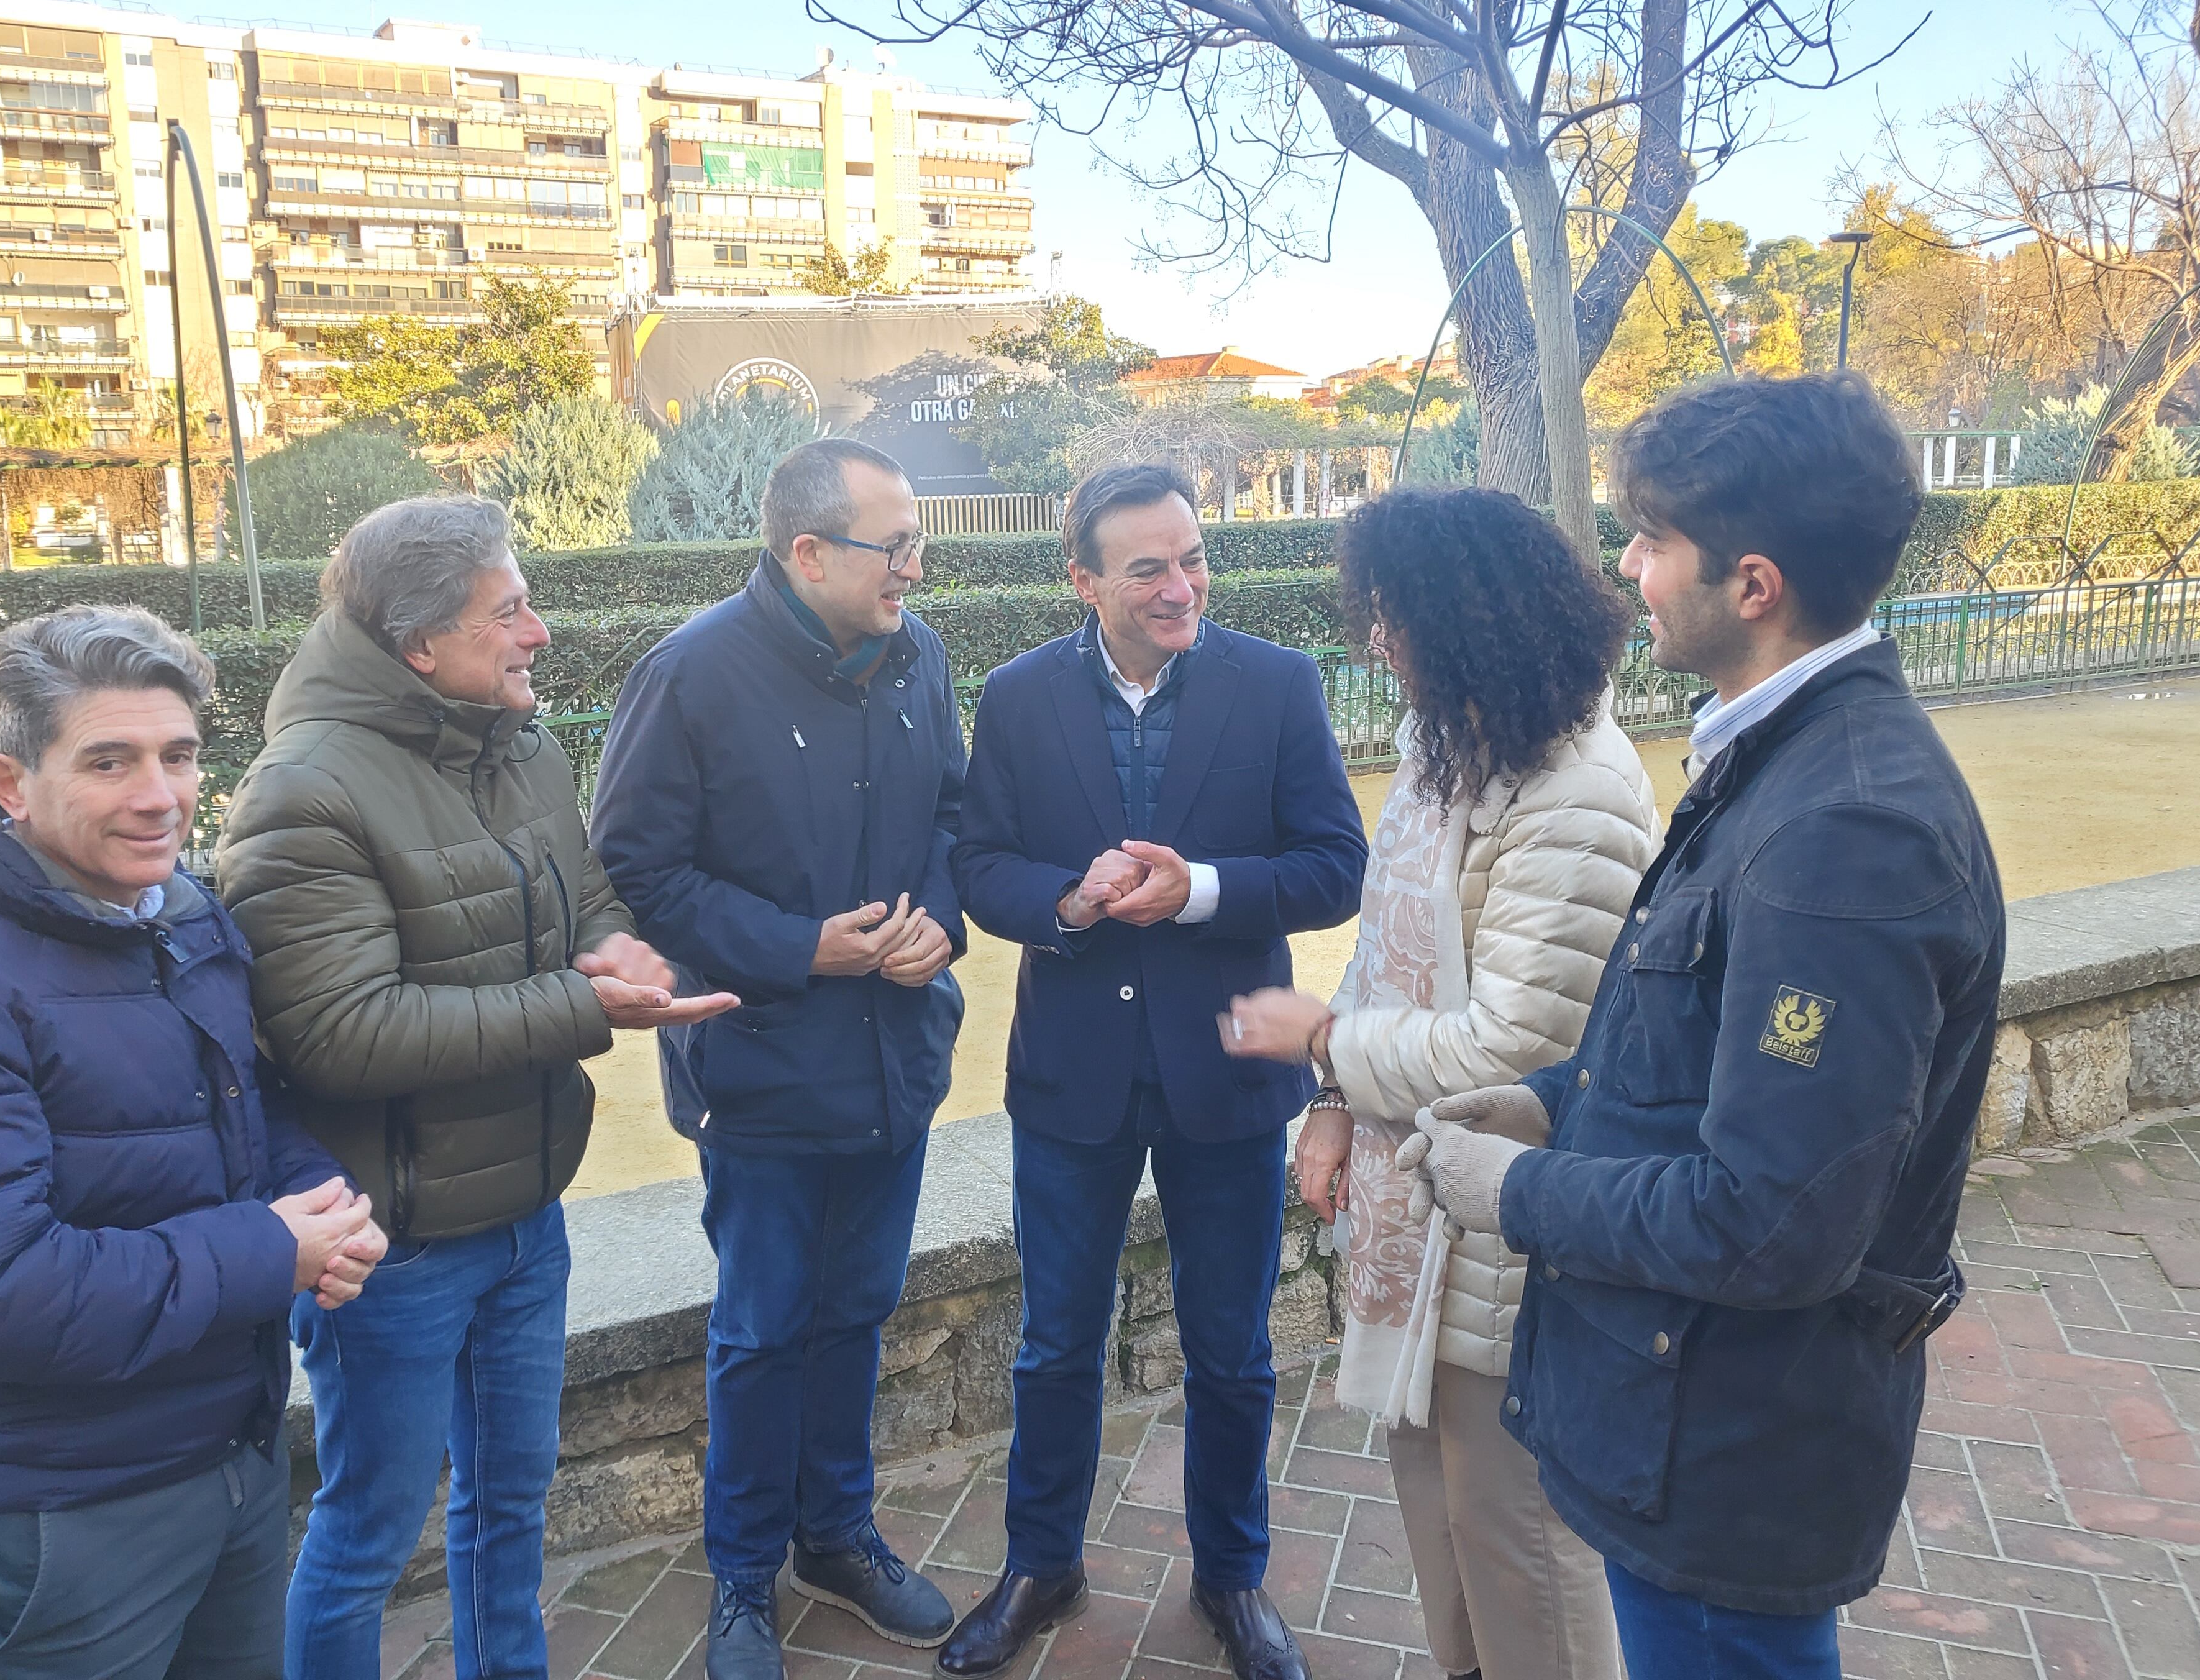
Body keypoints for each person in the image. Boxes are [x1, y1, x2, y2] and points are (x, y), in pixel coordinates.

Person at [1400, 374, 2006, 1680]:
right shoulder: (1777, 757)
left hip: (1733, 1447)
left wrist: (1518, 1188)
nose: (1626, 568)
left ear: (1754, 583)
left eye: (1652, 540)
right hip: (1690, 1413)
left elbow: (1773, 1221)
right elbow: (1698, 1047)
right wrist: (1554, 1101)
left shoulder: (1847, 829)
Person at [0, 605, 384, 1679]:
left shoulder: (181, 916)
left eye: (178, 756)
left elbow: (246, 1109)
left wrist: (322, 1202)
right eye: (109, 760)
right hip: (45, 1516)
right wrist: (270, 1251)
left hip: (223, 1465)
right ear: (9, 782)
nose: (159, 795)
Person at [215, 496, 729, 1680]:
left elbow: (586, 894)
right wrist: (586, 1008)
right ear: (418, 649)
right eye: (510, 611)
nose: (539, 633)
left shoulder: (519, 740)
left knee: (511, 1502)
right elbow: (338, 1034)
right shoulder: (306, 790)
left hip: (523, 1213)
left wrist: (612, 948)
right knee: (365, 1537)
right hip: (393, 1245)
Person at [942, 464, 1367, 1680]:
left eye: (1193, 558)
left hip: (1228, 1073)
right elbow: (980, 866)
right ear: (1083, 579)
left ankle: (1234, 1581)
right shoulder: (1019, 698)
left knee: (1232, 1349)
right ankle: (1042, 1566)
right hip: (1073, 1075)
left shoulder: (1277, 685)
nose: (1182, 585)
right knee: (1056, 1344)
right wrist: (1067, 900)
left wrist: (1206, 892)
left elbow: (1338, 864)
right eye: (1149, 568)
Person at [1225, 486, 1655, 1680]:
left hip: (1509, 1231)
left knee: (1523, 1545)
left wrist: (1324, 1048)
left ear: (1473, 623)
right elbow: (1382, 944)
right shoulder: (1450, 748)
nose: (1378, 642)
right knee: (1445, 1520)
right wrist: (1331, 1108)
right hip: (1424, 1219)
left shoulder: (1579, 791)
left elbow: (1514, 1047)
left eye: (1395, 618)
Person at [591, 439, 968, 1680]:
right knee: (761, 1333)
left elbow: (955, 819)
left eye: (916, 540)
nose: (917, 565)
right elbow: (636, 871)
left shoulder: (920, 656)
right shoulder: (689, 675)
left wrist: (936, 925)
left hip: (895, 1065)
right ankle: (744, 1577)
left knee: (856, 1313)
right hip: (760, 1074)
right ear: (807, 553)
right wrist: (803, 948)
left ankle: (840, 1540)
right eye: (894, 544)